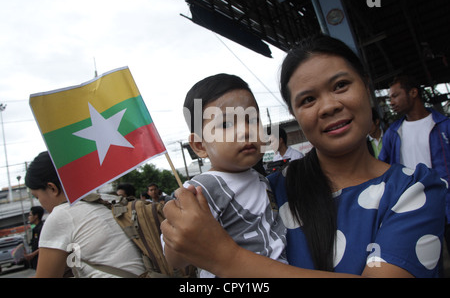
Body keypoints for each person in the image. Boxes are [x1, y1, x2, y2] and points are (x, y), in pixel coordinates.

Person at [161, 35, 447, 278]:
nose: (328, 106)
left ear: (367, 86)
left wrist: (226, 259)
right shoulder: (271, 189)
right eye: (308, 100)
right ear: (295, 114)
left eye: (340, 85)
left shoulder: (414, 190)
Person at [163, 73, 287, 278]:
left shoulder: (260, 179)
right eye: (226, 125)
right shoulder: (203, 188)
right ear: (200, 146)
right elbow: (175, 260)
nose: (246, 131)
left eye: (253, 120)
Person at [24, 151, 145, 278]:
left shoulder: (61, 214)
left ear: (52, 188)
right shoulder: (108, 200)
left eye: (37, 196)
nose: (41, 203)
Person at [379, 75, 450, 256]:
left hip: (446, 203)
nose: (391, 102)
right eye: (389, 98)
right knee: (428, 263)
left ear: (413, 92)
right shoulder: (393, 133)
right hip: (414, 208)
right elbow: (381, 167)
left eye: (395, 96)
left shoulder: (443, 125)